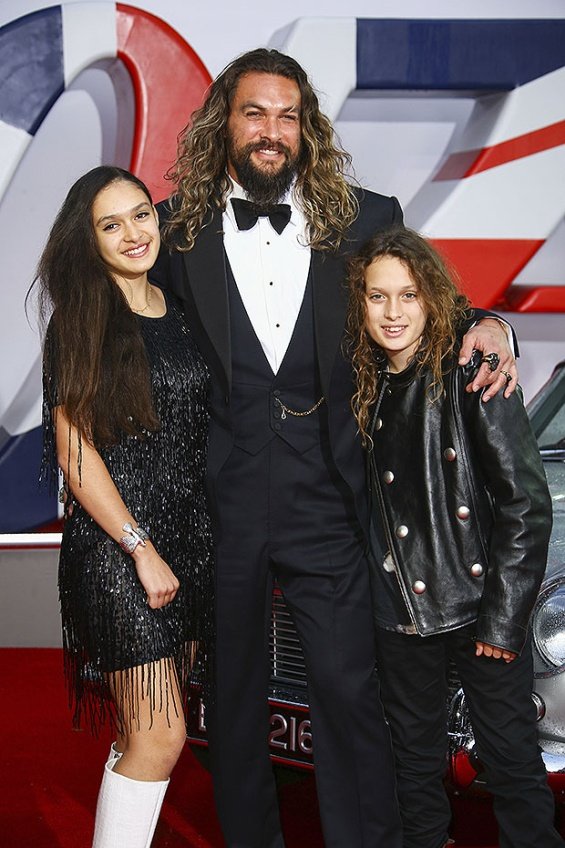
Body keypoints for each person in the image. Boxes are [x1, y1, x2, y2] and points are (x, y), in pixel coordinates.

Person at [152, 48, 516, 848]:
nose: (271, 131)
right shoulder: (175, 233)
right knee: (237, 700)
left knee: (350, 694)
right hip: (225, 500)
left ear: (307, 128)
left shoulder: (366, 215)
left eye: (288, 115)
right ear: (225, 122)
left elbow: (424, 304)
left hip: (332, 497)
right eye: (255, 113)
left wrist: (492, 323)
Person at [346, 226, 562, 848]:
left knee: (513, 766)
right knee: (413, 770)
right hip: (400, 616)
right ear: (359, 305)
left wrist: (502, 622)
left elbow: (526, 505)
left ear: (431, 298)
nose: (393, 312)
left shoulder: (473, 372)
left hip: (475, 610)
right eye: (377, 297)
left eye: (408, 295)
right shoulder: (361, 386)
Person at [34, 166, 213, 848]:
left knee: (141, 733)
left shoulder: (184, 311)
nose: (134, 233)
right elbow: (75, 452)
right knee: (163, 735)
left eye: (141, 214)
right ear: (90, 240)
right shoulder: (83, 320)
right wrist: (140, 548)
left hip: (192, 547)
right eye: (112, 224)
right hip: (119, 550)